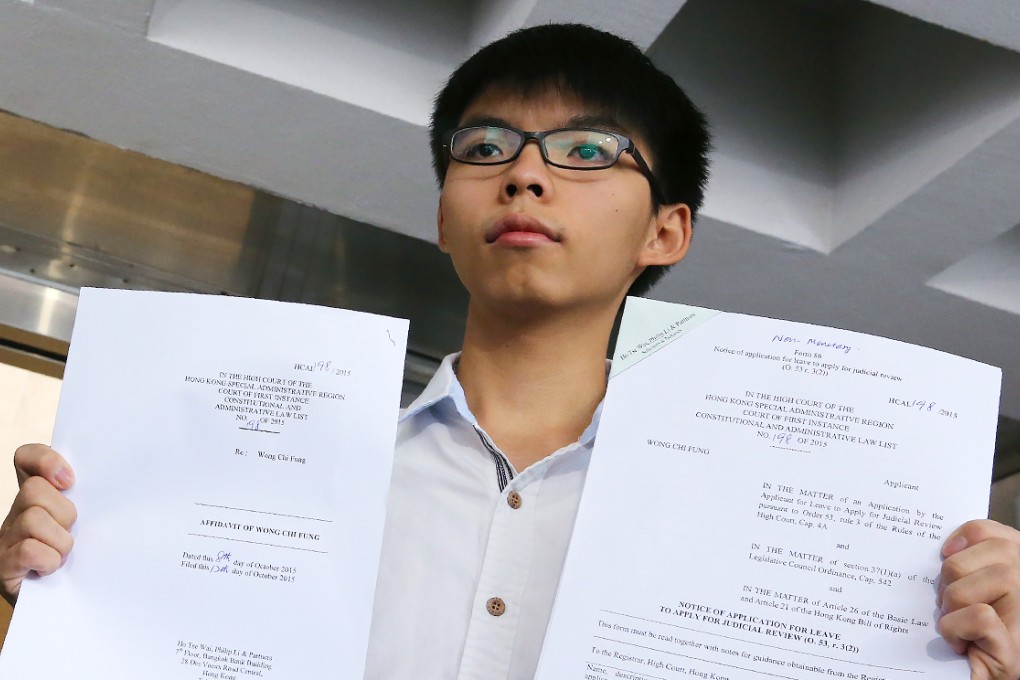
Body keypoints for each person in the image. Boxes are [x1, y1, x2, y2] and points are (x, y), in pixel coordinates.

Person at [2, 23, 1019, 680]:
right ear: (444, 216)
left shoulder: (770, 527)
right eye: (486, 148)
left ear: (667, 230)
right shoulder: (285, 480)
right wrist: (49, 601)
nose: (525, 176)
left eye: (586, 152)